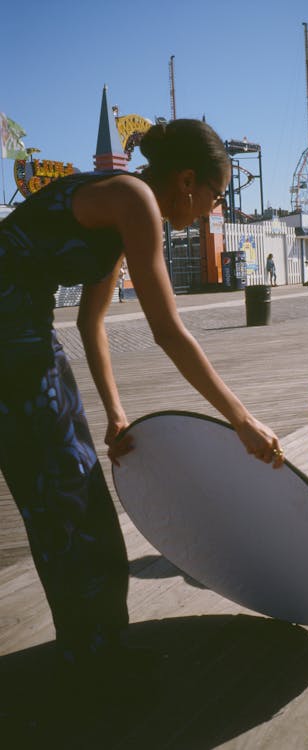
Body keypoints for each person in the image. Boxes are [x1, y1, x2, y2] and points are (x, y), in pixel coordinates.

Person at [0, 119, 285, 681]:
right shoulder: (134, 199)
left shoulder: (120, 206)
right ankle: (98, 663)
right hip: (13, 339)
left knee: (62, 502)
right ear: (186, 180)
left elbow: (91, 322)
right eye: (215, 196)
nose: (210, 210)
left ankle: (92, 651)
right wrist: (243, 420)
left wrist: (115, 412)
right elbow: (169, 330)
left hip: (22, 334)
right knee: (74, 505)